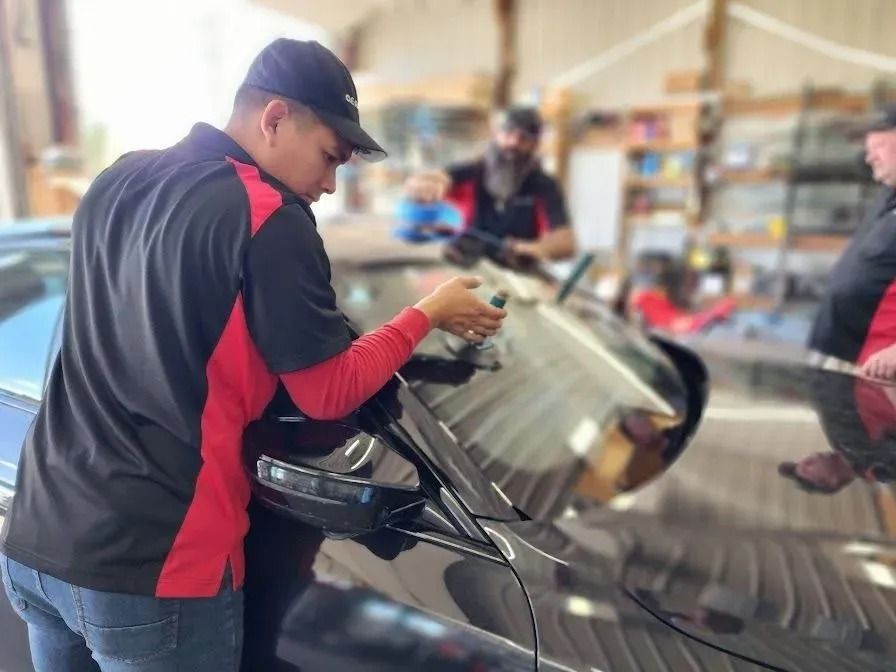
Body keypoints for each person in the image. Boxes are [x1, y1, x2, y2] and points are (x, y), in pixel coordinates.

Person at [0, 39, 505, 672]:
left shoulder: (117, 179)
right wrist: (426, 313)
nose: (328, 182)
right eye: (330, 156)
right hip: (155, 566)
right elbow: (328, 391)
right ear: (273, 119)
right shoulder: (269, 215)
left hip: (35, 538)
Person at [404, 106, 576, 264]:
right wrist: (423, 184)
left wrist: (527, 248)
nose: (513, 143)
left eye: (523, 138)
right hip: (462, 269)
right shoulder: (468, 173)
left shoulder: (544, 186)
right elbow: (436, 179)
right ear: (496, 135)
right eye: (508, 134)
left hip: (515, 277)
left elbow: (565, 243)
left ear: (535, 145)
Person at [808, 105, 896, 376]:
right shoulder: (888, 195)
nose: (870, 157)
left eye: (879, 145)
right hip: (843, 354)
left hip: (879, 364)